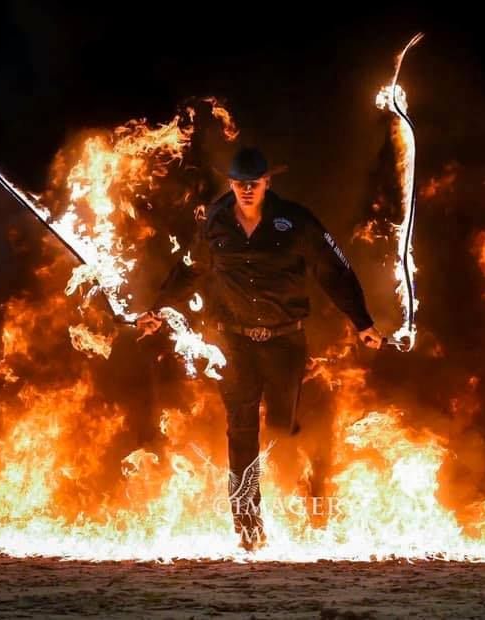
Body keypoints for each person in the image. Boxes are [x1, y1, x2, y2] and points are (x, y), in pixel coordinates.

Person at [137, 147, 383, 551]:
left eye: (254, 183)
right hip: (234, 341)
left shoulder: (296, 221)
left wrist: (362, 322)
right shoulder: (215, 222)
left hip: (285, 339)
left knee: (282, 428)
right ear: (231, 184)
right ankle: (248, 526)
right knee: (241, 428)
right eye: (239, 184)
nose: (246, 190)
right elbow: (190, 270)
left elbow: (333, 270)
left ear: (268, 182)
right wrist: (158, 309)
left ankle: (310, 509)